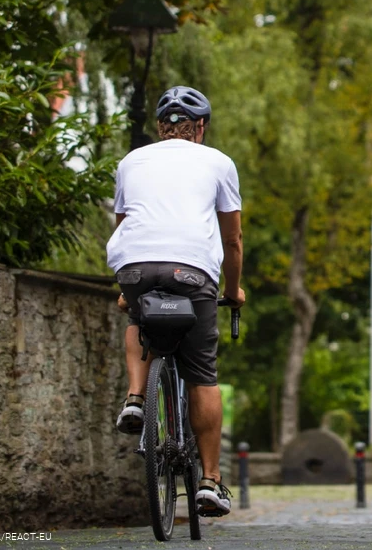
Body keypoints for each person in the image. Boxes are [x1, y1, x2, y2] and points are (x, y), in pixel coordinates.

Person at [106, 85, 245, 517]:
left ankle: (134, 397)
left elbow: (124, 224)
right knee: (202, 371)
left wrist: (127, 290)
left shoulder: (131, 161)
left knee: (137, 320)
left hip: (134, 265)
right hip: (192, 268)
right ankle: (210, 481)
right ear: (200, 127)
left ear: (158, 128)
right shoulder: (219, 162)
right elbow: (233, 239)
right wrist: (231, 291)